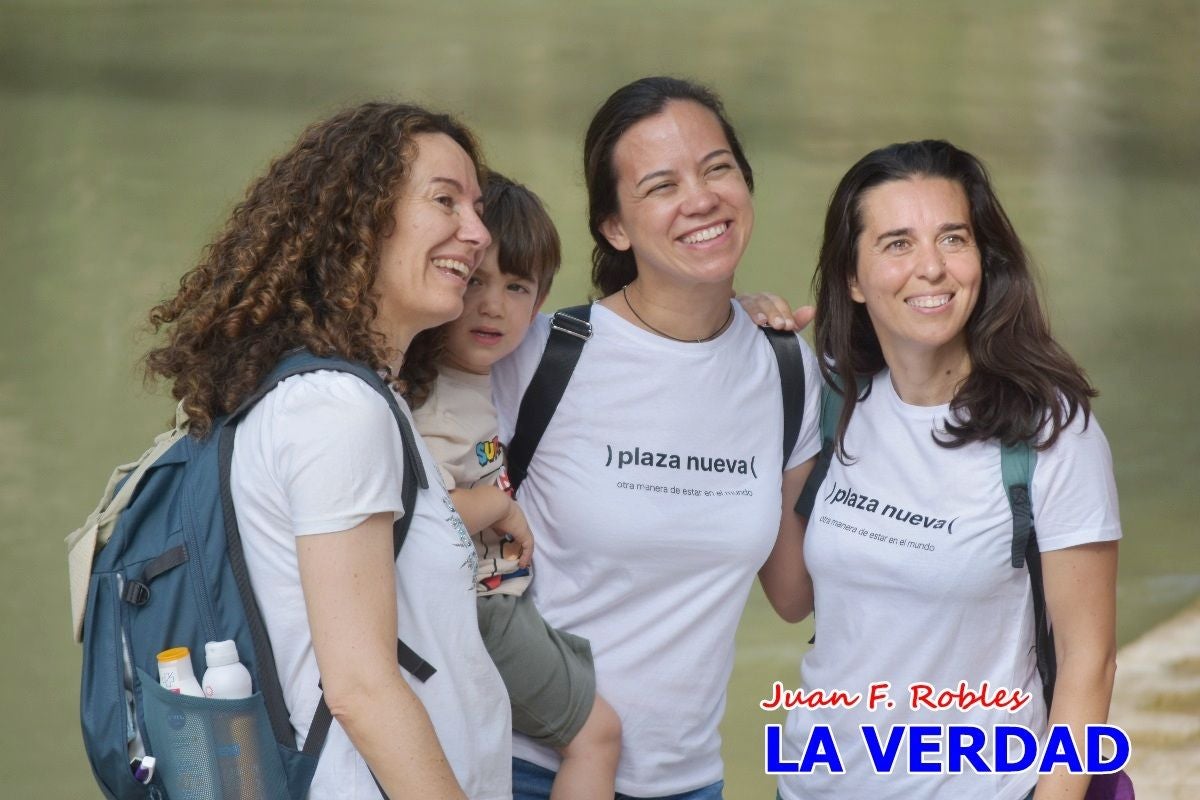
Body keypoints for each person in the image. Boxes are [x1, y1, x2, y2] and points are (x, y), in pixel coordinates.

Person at [143, 102, 511, 800]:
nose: (478, 233)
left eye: (478, 208)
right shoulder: (338, 411)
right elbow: (361, 688)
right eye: (445, 201)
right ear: (361, 217)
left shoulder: (338, 393)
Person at [489, 76, 823, 800]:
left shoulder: (787, 369)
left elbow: (795, 593)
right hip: (520, 766)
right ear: (615, 226)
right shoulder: (538, 356)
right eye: (662, 185)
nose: (700, 199)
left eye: (717, 169)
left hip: (689, 780)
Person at [769, 140, 1121, 800]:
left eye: (953, 239)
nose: (930, 267)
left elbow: (1089, 662)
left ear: (982, 260)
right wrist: (749, 344)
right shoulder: (829, 399)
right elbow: (792, 599)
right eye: (897, 244)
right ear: (852, 277)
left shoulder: (1049, 431)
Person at [409, 171, 622, 800]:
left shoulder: (478, 371)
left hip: (493, 601)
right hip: (478, 608)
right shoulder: (427, 398)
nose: (493, 306)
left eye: (516, 287)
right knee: (598, 735)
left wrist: (741, 311)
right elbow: (417, 515)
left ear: (540, 298)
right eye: (475, 281)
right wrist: (498, 504)